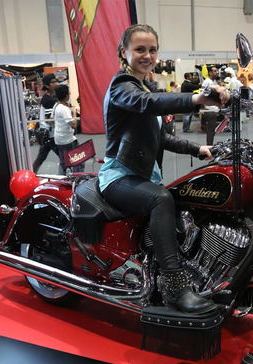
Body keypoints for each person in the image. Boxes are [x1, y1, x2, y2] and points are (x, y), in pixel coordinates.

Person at [100, 24, 229, 313]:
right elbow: (147, 103)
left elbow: (162, 138)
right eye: (140, 49)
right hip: (119, 176)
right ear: (124, 52)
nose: (147, 55)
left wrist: (198, 149)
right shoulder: (122, 87)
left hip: (144, 175)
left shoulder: (145, 86)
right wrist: (196, 98)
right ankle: (176, 288)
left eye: (152, 50)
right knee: (161, 199)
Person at [53, 84, 83, 174]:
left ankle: (61, 178)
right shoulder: (64, 109)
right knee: (79, 159)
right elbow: (73, 125)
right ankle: (77, 177)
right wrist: (73, 112)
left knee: (64, 163)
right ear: (66, 96)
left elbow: (51, 120)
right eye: (69, 94)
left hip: (59, 138)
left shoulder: (56, 106)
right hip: (67, 140)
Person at [32, 73, 60, 173]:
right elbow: (50, 119)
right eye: (53, 82)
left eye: (56, 81)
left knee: (41, 157)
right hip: (50, 134)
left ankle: (32, 174)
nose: (55, 83)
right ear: (47, 86)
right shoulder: (48, 100)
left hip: (48, 134)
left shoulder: (52, 97)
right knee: (64, 157)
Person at [201, 65, 221, 144]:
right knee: (210, 131)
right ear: (210, 73)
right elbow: (203, 95)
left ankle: (210, 146)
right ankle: (209, 147)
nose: (217, 72)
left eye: (217, 71)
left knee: (212, 131)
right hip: (210, 110)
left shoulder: (212, 82)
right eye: (215, 71)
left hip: (212, 109)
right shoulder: (207, 82)